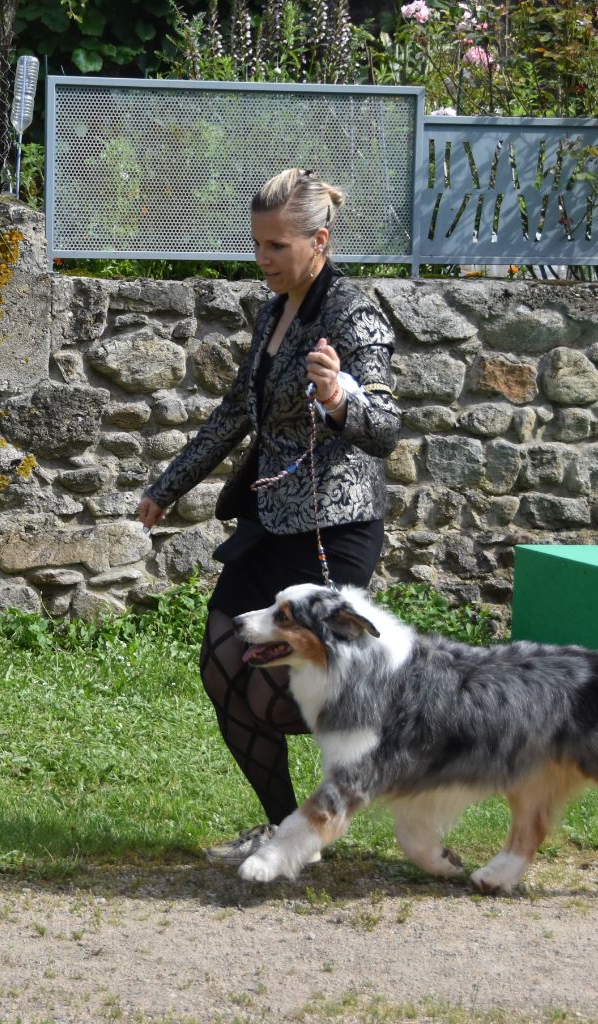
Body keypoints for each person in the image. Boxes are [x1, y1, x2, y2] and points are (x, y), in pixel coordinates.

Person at [137, 168, 400, 864]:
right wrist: (168, 487)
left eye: (277, 247)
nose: (263, 260)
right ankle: (290, 829)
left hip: (332, 528)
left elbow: (385, 427)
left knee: (298, 692)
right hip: (266, 522)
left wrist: (338, 401)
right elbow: (235, 413)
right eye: (257, 245)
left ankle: (379, 756)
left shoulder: (353, 313)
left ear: (320, 239)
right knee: (222, 670)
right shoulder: (271, 310)